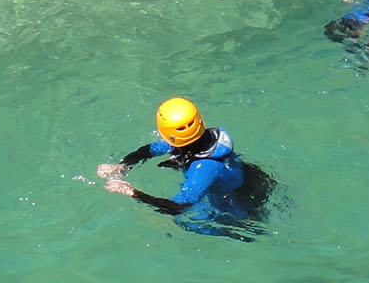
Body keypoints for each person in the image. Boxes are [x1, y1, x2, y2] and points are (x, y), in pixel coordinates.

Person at [98, 97, 274, 239]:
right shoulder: (199, 138)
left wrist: (132, 192)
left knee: (188, 222)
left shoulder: (203, 168)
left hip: (239, 202)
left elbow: (179, 207)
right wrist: (122, 166)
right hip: (248, 177)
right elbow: (151, 149)